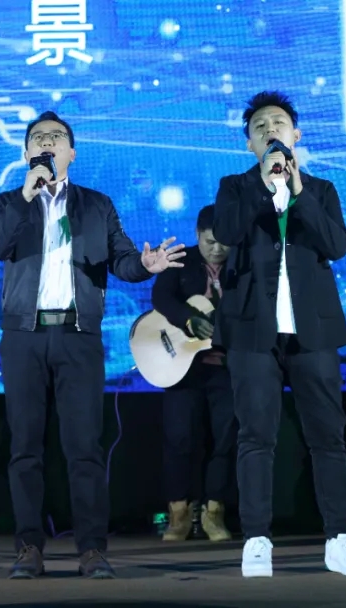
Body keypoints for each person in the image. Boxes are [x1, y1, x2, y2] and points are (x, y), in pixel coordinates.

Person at [0, 110, 186, 580]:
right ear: (26, 152)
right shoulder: (6, 202)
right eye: (38, 138)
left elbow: (123, 260)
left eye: (56, 137)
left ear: (71, 152)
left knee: (84, 448)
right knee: (25, 448)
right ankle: (28, 548)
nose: (46, 143)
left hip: (78, 337)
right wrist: (26, 196)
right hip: (23, 336)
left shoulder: (96, 205)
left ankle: (92, 549)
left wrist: (146, 265)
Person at [211, 91, 346, 577]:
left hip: (312, 330)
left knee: (327, 435)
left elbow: (337, 245)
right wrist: (265, 189)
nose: (270, 131)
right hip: (252, 329)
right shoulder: (235, 186)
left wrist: (298, 193)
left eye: (278, 123)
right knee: (256, 435)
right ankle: (256, 540)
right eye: (259, 127)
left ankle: (339, 538)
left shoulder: (320, 190)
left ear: (296, 135)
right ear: (249, 144)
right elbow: (228, 233)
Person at [151, 204, 237, 543]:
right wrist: (188, 319)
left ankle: (214, 512)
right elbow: (161, 296)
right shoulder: (181, 260)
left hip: (227, 368)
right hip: (182, 368)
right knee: (179, 439)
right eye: (209, 242)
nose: (216, 249)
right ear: (197, 235)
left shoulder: (244, 264)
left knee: (225, 440)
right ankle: (179, 513)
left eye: (223, 243)